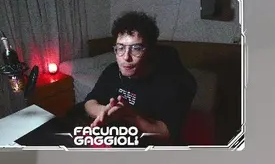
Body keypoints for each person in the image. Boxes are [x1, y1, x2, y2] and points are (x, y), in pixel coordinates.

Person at [82, 11, 197, 145]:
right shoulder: (112, 70)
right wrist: (103, 112)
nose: (126, 57)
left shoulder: (174, 83)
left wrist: (131, 116)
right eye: (120, 48)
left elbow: (167, 133)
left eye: (136, 48)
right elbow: (89, 101)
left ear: (150, 50)